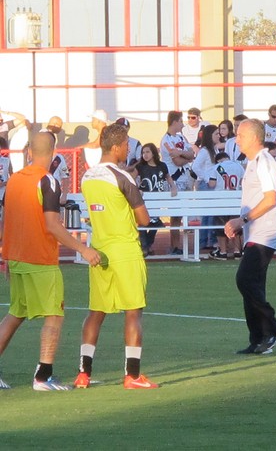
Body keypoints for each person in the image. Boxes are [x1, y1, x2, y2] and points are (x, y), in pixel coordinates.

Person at [0, 131, 100, 391]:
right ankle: (43, 376)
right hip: (41, 259)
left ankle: (41, 376)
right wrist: (83, 249)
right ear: (54, 151)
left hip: (17, 258)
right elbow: (53, 226)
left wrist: (7, 255)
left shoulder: (13, 181)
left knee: (14, 314)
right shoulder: (48, 181)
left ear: (29, 151)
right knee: (54, 315)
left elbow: (6, 220)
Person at [74, 123, 158, 390]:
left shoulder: (87, 177)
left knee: (96, 312)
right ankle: (132, 375)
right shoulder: (122, 176)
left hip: (99, 248)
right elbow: (143, 218)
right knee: (133, 311)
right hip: (125, 250)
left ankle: (83, 373)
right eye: (125, 145)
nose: (127, 149)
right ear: (116, 147)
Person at [224, 119, 276, 355]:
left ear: (253, 137)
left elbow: (270, 199)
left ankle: (273, 330)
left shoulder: (263, 161)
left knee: (245, 280)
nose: (236, 139)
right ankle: (258, 339)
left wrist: (243, 220)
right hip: (255, 231)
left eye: (239, 135)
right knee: (252, 284)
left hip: (265, 232)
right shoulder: (252, 163)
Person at [160, 110, 194, 255]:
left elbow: (192, 154)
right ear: (174, 122)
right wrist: (185, 156)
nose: (183, 124)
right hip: (175, 180)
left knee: (181, 214)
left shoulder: (182, 138)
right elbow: (177, 161)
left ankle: (178, 245)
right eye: (181, 121)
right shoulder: (166, 140)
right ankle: (174, 245)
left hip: (185, 179)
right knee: (176, 215)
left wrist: (183, 154)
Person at [135, 143, 178, 256]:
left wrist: (173, 187)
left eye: (148, 152)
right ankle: (145, 247)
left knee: (155, 223)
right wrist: (136, 189)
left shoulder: (162, 166)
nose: (145, 155)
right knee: (143, 223)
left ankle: (146, 246)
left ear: (154, 153)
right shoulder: (140, 167)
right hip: (144, 200)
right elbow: (131, 177)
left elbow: (168, 177)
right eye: (143, 152)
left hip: (157, 200)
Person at [208, 152, 245, 260]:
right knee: (235, 226)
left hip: (221, 201)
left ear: (218, 160)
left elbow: (212, 184)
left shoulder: (217, 167)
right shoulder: (238, 166)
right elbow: (243, 182)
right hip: (235, 200)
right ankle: (237, 250)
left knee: (221, 226)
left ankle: (223, 251)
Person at [192, 124, 219, 250]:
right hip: (206, 185)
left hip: (212, 185)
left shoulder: (215, 150)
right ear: (209, 136)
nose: (218, 136)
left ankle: (210, 240)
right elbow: (195, 167)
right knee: (208, 214)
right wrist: (208, 179)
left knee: (212, 214)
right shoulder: (204, 151)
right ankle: (204, 241)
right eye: (216, 134)